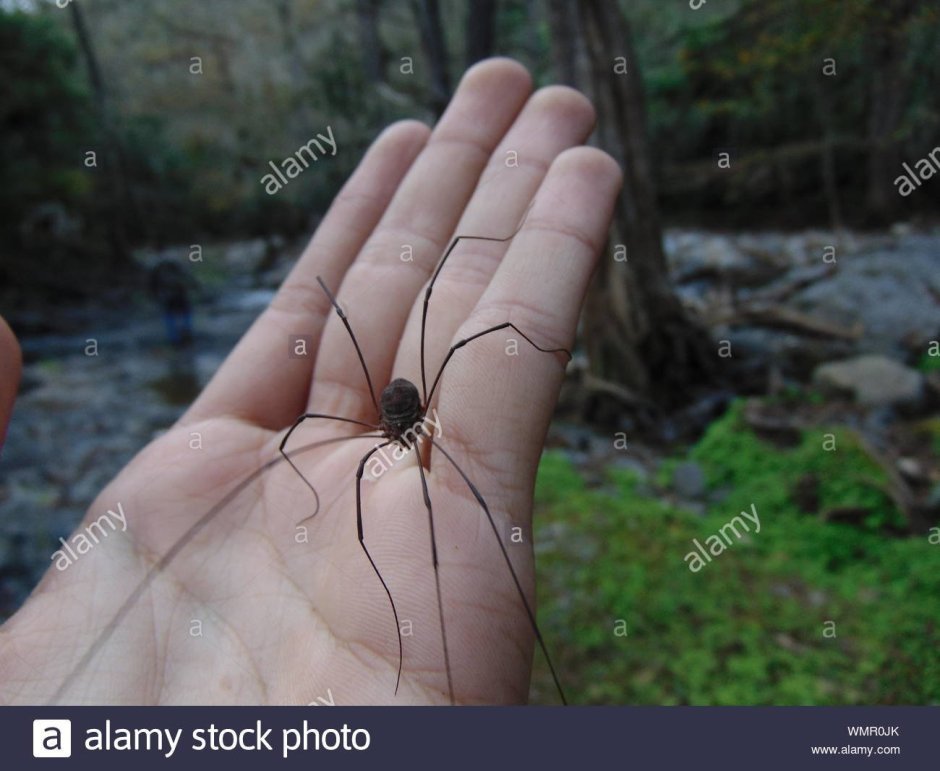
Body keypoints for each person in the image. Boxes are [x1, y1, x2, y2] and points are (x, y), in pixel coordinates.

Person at [0, 59, 621, 704]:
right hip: (391, 412)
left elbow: (467, 308)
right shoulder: (374, 429)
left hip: (408, 403)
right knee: (307, 447)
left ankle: (540, 671)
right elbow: (303, 441)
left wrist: (544, 341)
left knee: (463, 341)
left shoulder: (414, 411)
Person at [148, 258, 194, 346]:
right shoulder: (174, 267)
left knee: (176, 318)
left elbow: (153, 286)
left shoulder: (159, 268)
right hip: (174, 299)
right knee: (176, 318)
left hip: (175, 298)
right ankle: (180, 338)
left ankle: (179, 338)